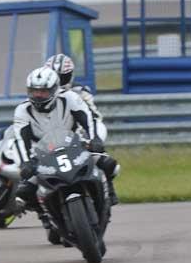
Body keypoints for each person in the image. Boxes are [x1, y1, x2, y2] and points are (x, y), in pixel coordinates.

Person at [13, 67, 119, 212]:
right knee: (24, 192)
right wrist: (25, 162)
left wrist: (94, 139)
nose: (38, 95)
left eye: (43, 91)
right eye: (34, 91)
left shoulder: (70, 98)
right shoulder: (22, 110)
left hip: (74, 145)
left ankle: (108, 192)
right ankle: (45, 215)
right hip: (42, 152)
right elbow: (20, 138)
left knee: (109, 165)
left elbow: (88, 118)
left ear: (55, 89)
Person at [44, 53, 108, 142]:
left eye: (62, 77)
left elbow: (93, 117)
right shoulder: (40, 94)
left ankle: (94, 151)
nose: (57, 82)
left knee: (99, 126)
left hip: (76, 134)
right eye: (54, 77)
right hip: (49, 134)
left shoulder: (80, 91)